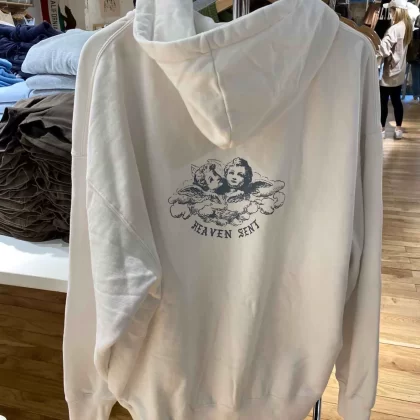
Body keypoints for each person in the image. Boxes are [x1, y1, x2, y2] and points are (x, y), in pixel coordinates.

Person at [379, 0, 413, 139]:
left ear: (396, 10)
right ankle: (398, 129)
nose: (390, 13)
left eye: (392, 10)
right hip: (400, 70)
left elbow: (384, 50)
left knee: (383, 101)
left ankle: (381, 129)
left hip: (389, 72)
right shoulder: (407, 26)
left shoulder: (394, 29)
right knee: (396, 100)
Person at [409, 15, 420, 101]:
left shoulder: (415, 33)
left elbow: (411, 47)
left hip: (415, 59)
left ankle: (416, 95)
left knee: (415, 77)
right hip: (416, 59)